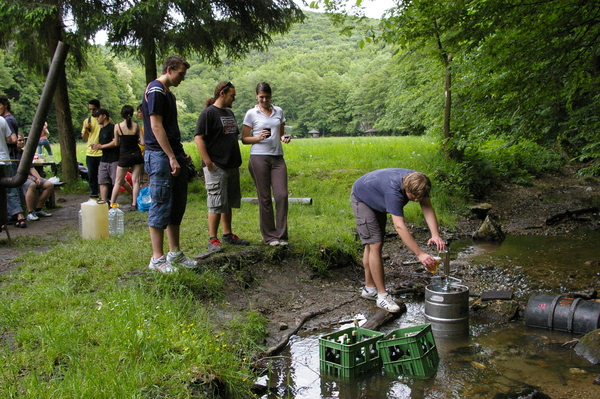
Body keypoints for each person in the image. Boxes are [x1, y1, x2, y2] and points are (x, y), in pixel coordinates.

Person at [351, 168, 447, 312]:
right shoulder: (394, 192)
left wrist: (435, 234)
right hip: (363, 198)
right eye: (413, 197)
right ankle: (382, 297)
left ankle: (369, 289)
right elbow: (399, 226)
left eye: (419, 198)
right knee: (375, 244)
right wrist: (420, 254)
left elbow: (427, 207)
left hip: (376, 194)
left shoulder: (420, 182)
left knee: (373, 244)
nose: (416, 200)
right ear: (405, 188)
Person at [142, 55, 197, 273]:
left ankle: (175, 254)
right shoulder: (155, 90)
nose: (182, 79)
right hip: (159, 155)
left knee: (176, 204)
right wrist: (171, 156)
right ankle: (157, 258)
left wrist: (179, 154)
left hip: (173, 154)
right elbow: (156, 127)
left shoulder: (168, 94)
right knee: (161, 202)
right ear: (169, 69)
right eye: (181, 74)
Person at [194, 81, 249, 253]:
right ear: (223, 93)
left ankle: (227, 234)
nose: (234, 99)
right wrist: (208, 162)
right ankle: (213, 239)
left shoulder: (229, 113)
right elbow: (198, 138)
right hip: (216, 166)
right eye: (232, 95)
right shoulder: (208, 113)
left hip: (231, 165)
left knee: (227, 202)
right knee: (216, 202)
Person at [242, 82, 291, 246]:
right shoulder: (251, 113)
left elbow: (281, 133)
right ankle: (270, 237)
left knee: (282, 195)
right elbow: (244, 139)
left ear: (271, 96)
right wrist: (257, 138)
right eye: (261, 97)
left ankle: (282, 235)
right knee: (265, 198)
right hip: (258, 157)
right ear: (256, 96)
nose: (264, 100)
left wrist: (284, 137)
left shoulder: (279, 111)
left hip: (277, 157)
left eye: (267, 97)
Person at [109, 105, 144, 211]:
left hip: (124, 156)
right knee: (136, 180)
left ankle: (112, 203)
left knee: (118, 181)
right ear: (132, 114)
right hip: (136, 155)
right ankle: (134, 204)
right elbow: (143, 142)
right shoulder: (137, 126)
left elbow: (116, 143)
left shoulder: (117, 126)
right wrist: (136, 141)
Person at [0, 96, 26, 228]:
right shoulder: (6, 119)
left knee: (10, 189)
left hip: (8, 156)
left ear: (4, 105)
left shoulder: (6, 120)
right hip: (7, 157)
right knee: (12, 187)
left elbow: (13, 139)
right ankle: (16, 215)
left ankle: (17, 215)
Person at [15, 133, 54, 221]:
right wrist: (28, 177)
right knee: (31, 185)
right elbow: (16, 170)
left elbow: (31, 167)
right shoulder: (12, 154)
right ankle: (30, 212)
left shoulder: (24, 153)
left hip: (29, 175)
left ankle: (38, 209)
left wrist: (38, 177)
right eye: (19, 140)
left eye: (22, 140)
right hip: (19, 177)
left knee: (49, 185)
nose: (22, 142)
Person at [91, 109, 120, 203]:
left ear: (104, 116)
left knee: (118, 182)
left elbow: (116, 142)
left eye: (98, 116)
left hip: (114, 159)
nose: (97, 119)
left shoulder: (113, 127)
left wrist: (102, 146)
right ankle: (104, 202)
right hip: (104, 159)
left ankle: (132, 196)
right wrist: (97, 146)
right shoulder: (102, 129)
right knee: (102, 181)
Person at [81, 99, 102, 199]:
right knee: (92, 176)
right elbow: (85, 138)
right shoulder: (87, 121)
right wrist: (86, 128)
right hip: (90, 152)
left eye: (94, 109)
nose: (92, 112)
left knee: (103, 176)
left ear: (99, 108)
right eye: (90, 109)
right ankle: (93, 195)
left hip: (102, 152)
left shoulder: (104, 119)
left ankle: (105, 195)